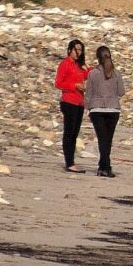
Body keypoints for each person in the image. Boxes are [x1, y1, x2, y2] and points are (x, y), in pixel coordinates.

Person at [85, 44, 125, 178]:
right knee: (107, 140)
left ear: (97, 58)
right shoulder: (116, 73)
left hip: (96, 109)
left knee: (102, 140)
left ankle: (104, 167)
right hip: (113, 109)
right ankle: (105, 167)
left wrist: (87, 108)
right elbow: (121, 92)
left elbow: (88, 94)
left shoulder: (93, 74)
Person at [53, 38, 88, 171]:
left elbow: (87, 75)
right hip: (69, 101)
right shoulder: (65, 64)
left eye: (80, 50)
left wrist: (86, 66)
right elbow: (58, 83)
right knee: (69, 132)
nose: (78, 52)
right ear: (69, 50)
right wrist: (74, 86)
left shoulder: (79, 65)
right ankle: (69, 162)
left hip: (79, 102)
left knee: (75, 132)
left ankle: (71, 160)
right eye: (76, 50)